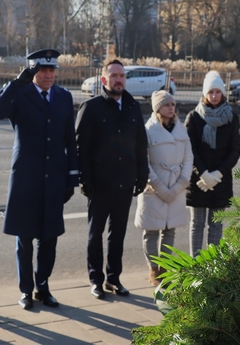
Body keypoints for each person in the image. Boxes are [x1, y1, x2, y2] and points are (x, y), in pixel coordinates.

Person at [0, 49, 78, 310]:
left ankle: (43, 286)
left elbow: (69, 138)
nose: (48, 74)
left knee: (49, 238)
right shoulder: (20, 94)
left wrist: (72, 177)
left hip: (55, 177)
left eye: (52, 70)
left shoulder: (63, 96)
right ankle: (26, 290)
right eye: (42, 70)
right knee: (24, 239)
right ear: (32, 72)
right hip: (26, 177)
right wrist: (17, 83)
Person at [76, 59, 148, 299]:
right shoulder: (92, 107)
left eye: (122, 76)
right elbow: (81, 147)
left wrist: (142, 174)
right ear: (104, 80)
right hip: (99, 184)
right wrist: (84, 180)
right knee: (95, 234)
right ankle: (96, 279)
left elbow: (141, 144)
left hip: (125, 183)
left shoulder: (132, 107)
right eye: (114, 76)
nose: (119, 80)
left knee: (117, 234)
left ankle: (113, 278)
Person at [134, 91, 193, 286]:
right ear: (158, 108)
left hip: (176, 186)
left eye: (173, 105)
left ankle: (165, 267)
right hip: (154, 189)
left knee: (170, 230)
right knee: (151, 231)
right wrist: (159, 186)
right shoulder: (148, 130)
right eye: (167, 105)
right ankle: (153, 268)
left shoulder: (181, 130)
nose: (171, 108)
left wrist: (180, 184)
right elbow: (144, 161)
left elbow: (188, 158)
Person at [184, 71, 240, 257]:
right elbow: (190, 149)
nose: (214, 95)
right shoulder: (194, 117)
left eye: (218, 91)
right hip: (198, 180)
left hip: (221, 180)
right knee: (197, 224)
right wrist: (203, 173)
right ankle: (196, 265)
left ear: (223, 93)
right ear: (205, 94)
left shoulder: (232, 118)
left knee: (216, 224)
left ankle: (213, 265)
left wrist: (217, 174)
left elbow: (235, 150)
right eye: (211, 92)